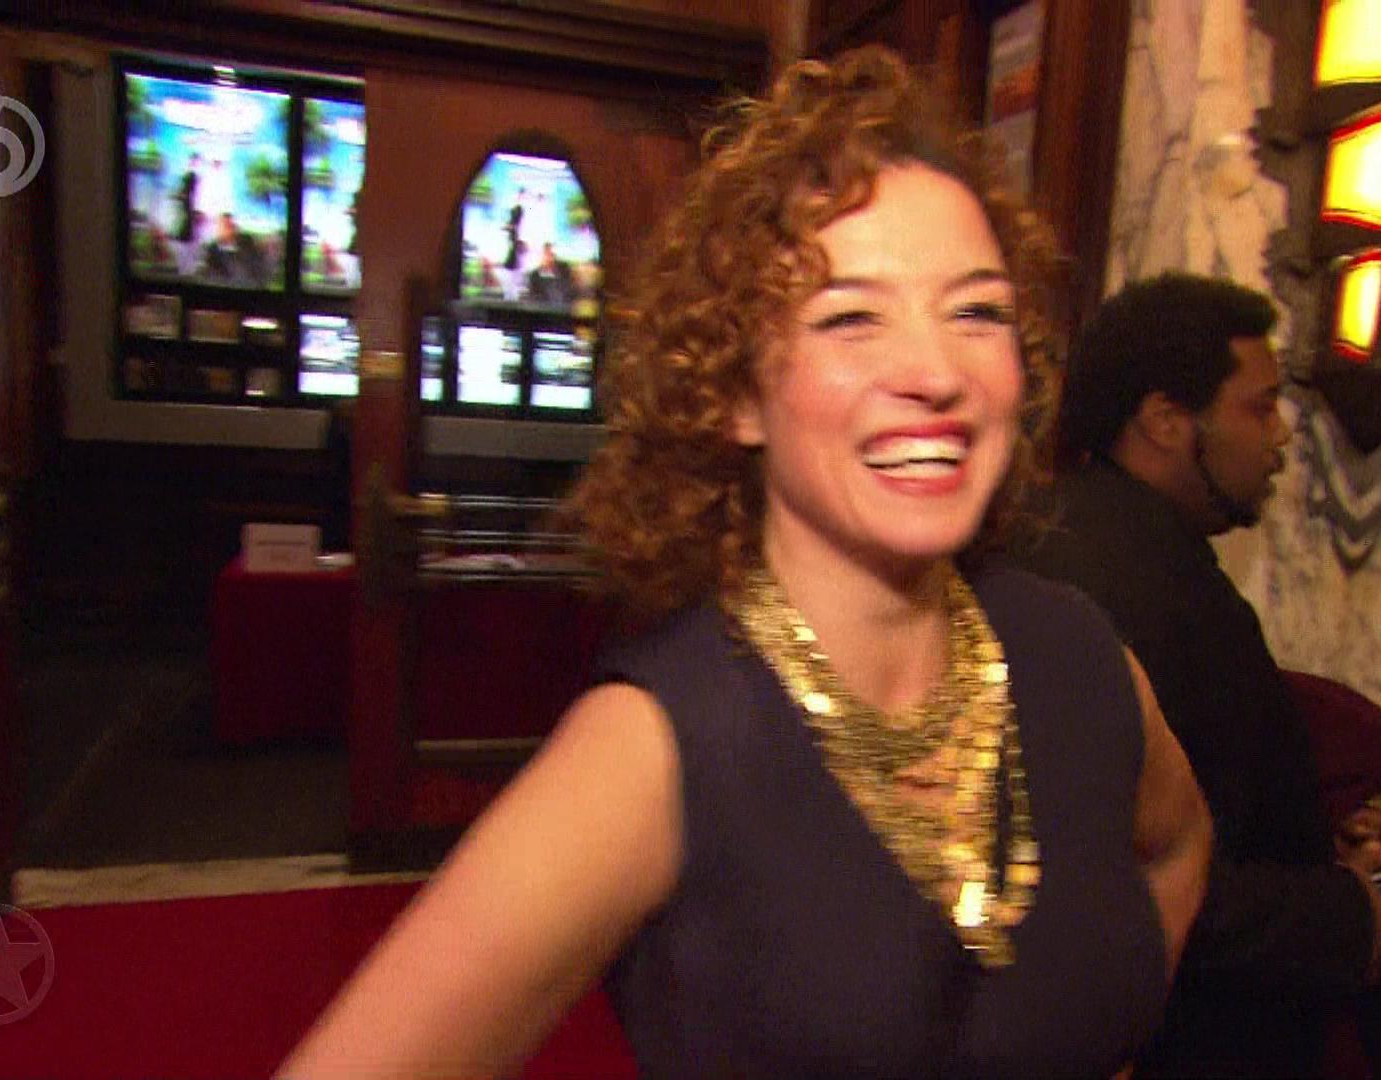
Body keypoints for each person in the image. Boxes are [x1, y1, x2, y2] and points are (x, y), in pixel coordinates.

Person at [279, 47, 1211, 1080]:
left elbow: (1179, 849)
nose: (936, 371)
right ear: (734, 393)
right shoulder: (658, 746)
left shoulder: (1078, 655)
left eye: (976, 311)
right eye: (850, 317)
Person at [1012, 273, 1381, 1077]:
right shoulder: (1112, 589)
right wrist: (1344, 918)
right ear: (1166, 420)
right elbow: (1118, 872)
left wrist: (1316, 831)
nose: (1281, 437)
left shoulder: (1129, 548)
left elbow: (1214, 795)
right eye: (1259, 408)